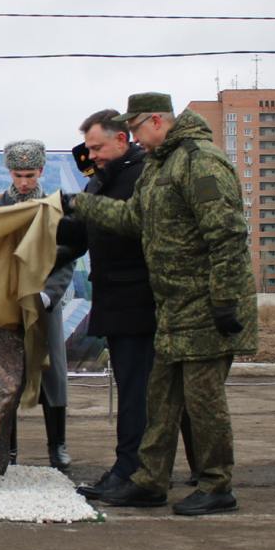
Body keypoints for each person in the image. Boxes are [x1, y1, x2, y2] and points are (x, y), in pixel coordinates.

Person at [63, 92, 257, 516]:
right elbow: (134, 218)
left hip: (205, 305)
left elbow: (226, 234)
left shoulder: (200, 160)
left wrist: (225, 300)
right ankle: (148, 481)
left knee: (203, 403)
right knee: (161, 400)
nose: (133, 139)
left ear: (156, 121)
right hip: (170, 305)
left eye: (134, 130)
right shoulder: (160, 166)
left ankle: (216, 485)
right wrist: (80, 203)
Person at [59, 110, 159, 499]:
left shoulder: (141, 176)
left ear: (122, 140)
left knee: (138, 394)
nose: (92, 155)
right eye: (88, 149)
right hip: (118, 303)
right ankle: (127, 468)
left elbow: (131, 226)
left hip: (139, 303)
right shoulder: (105, 178)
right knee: (132, 390)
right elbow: (79, 235)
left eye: (97, 147)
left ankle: (134, 472)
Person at [0, 140, 74, 470]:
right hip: (7, 304)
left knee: (53, 373)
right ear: (9, 171)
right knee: (7, 374)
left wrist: (50, 294)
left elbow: (68, 258)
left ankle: (57, 446)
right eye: (19, 174)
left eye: (30, 175)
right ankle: (8, 449)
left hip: (44, 301)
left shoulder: (56, 208)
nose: (24, 182)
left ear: (41, 171)